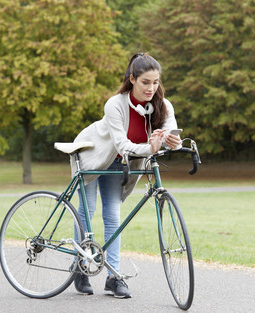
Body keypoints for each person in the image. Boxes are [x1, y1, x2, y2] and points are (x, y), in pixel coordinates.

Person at [70, 53, 181, 298]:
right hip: (92, 155)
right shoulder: (115, 104)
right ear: (132, 79)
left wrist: (173, 142)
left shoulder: (163, 105)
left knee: (112, 215)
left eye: (156, 82)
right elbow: (122, 145)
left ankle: (113, 277)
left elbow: (170, 135)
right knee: (86, 212)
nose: (151, 88)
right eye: (145, 82)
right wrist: (151, 148)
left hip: (118, 165)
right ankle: (80, 265)